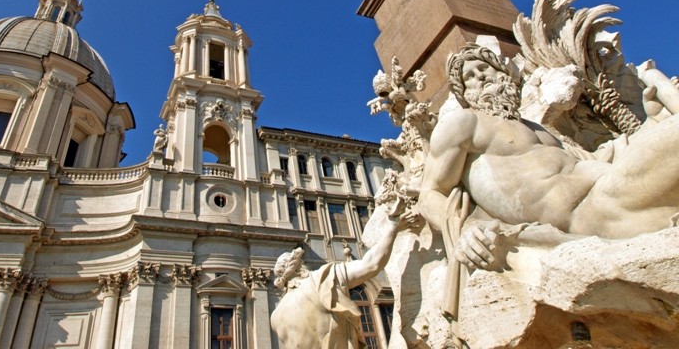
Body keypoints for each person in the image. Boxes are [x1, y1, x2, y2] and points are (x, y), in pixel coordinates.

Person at [418, 44, 679, 270]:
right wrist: (461, 229)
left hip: (610, 188)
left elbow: (597, 159)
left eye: (484, 69)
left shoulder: (537, 128)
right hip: (588, 211)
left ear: (502, 73)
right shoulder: (464, 123)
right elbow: (429, 192)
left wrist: (651, 122)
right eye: (470, 78)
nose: (480, 78)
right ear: (464, 94)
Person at [270, 212, 413, 348]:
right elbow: (372, 264)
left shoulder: (276, 316)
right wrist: (392, 229)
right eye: (303, 263)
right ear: (298, 268)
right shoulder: (321, 280)